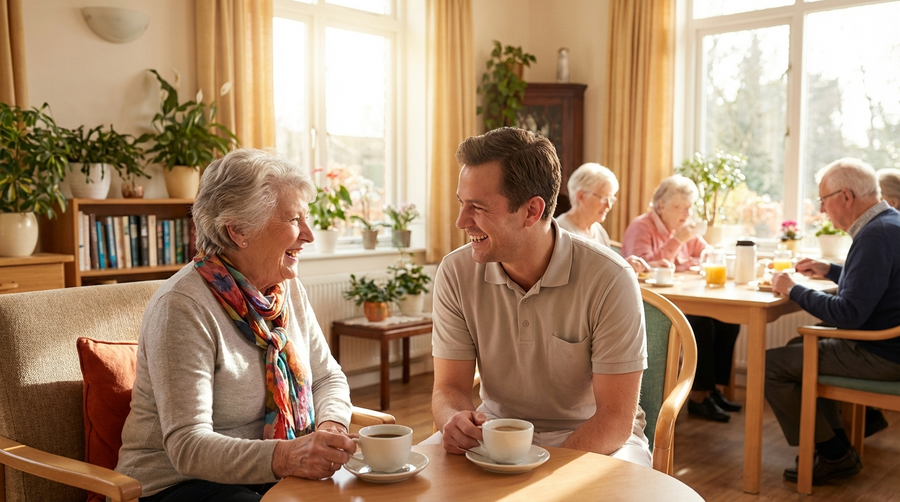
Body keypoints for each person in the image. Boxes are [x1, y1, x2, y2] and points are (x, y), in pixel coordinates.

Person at [116, 149, 356, 501]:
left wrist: (331, 426)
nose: (308, 234)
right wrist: (289, 456)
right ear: (238, 230)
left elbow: (327, 377)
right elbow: (188, 447)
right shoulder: (182, 306)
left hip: (268, 477)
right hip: (177, 485)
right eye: (293, 220)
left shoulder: (286, 291)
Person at [428, 127, 651, 467]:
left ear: (532, 211)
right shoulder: (455, 272)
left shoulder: (611, 278)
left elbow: (615, 420)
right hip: (497, 432)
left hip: (597, 438)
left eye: (478, 207)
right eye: (462, 203)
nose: (462, 221)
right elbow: (448, 389)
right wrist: (454, 419)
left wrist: (540, 470)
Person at [767, 158, 900, 485]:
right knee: (798, 347)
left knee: (771, 366)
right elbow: (874, 282)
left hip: (881, 354)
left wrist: (792, 288)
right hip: (889, 343)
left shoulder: (873, 236)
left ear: (845, 196)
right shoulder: (889, 223)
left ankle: (833, 452)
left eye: (823, 200)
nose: (822, 210)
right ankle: (841, 441)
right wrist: (831, 270)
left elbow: (848, 313)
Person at [622, 175, 742, 422]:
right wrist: (678, 243)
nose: (687, 213)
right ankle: (698, 398)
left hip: (682, 296)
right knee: (701, 323)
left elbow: (706, 253)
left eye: (689, 207)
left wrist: (698, 255)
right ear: (661, 205)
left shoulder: (683, 227)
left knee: (729, 322)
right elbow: (640, 267)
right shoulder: (642, 226)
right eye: (681, 207)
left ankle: (711, 389)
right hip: (650, 303)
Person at [556, 162, 650, 274]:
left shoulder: (599, 230)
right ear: (580, 196)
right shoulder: (561, 232)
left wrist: (624, 265)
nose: (609, 206)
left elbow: (605, 272)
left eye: (611, 199)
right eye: (604, 198)